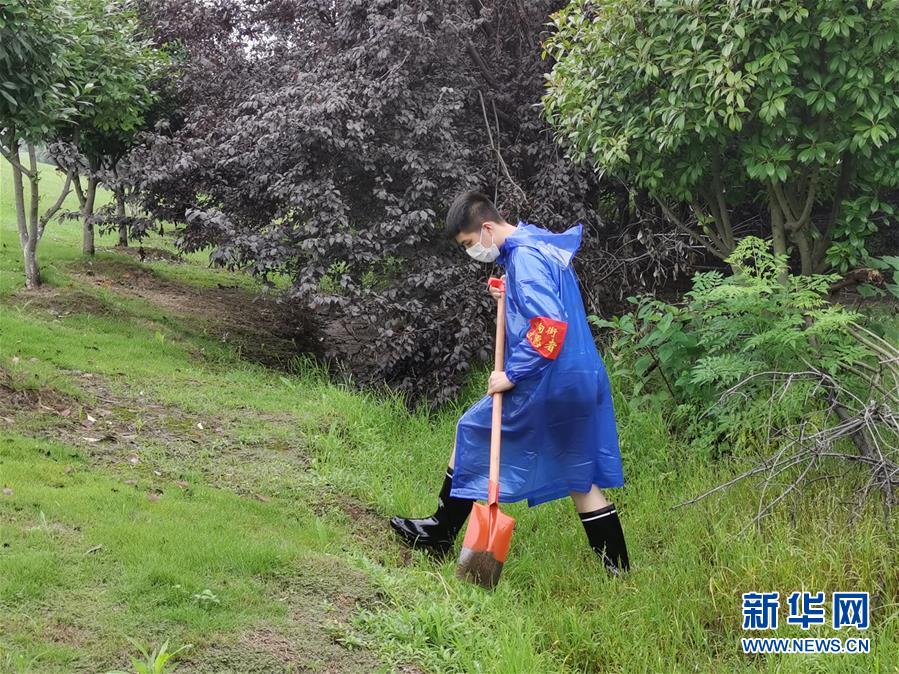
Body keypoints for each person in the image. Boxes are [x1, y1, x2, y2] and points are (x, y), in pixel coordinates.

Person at [389, 191, 630, 575]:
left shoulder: (525, 258)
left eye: (470, 244)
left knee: (470, 429)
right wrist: (510, 293)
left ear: (486, 228)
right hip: (579, 376)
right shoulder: (534, 242)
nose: (472, 252)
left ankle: (440, 531)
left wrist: (511, 375)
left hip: (548, 380)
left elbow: (549, 328)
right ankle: (619, 573)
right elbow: (548, 300)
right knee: (578, 475)